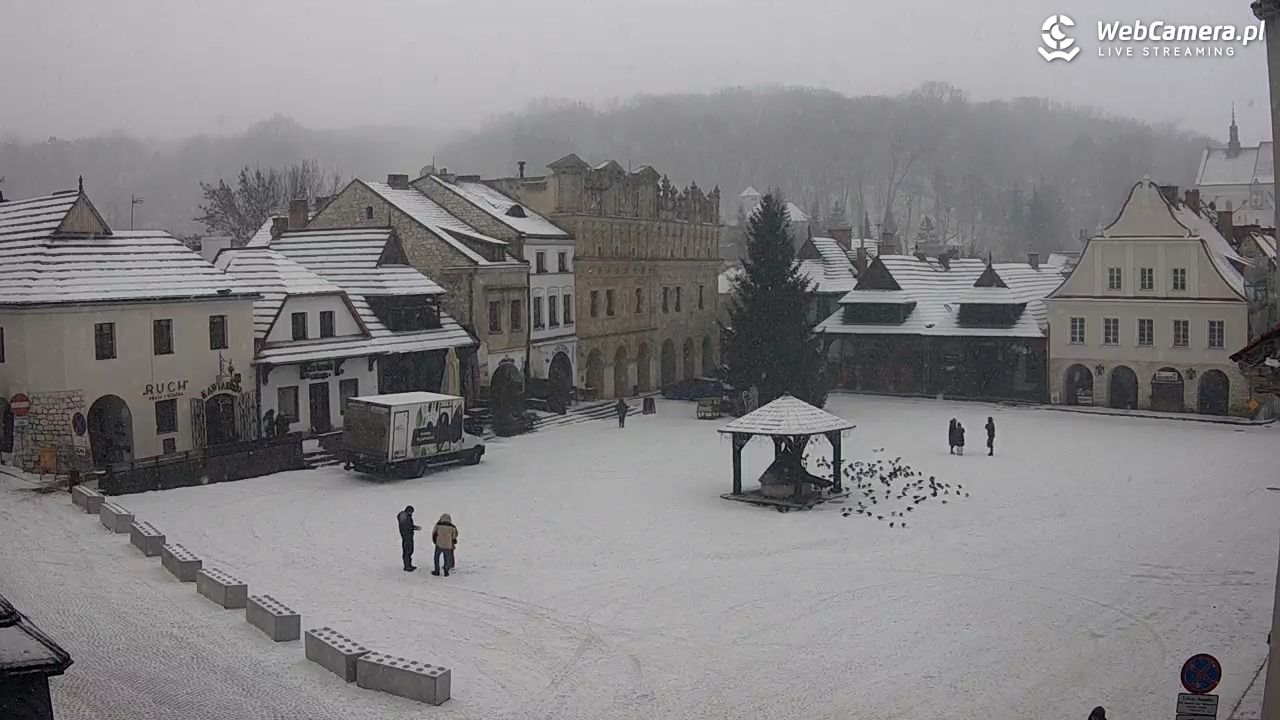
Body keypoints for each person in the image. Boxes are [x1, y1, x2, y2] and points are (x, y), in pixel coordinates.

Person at [397, 505, 421, 572]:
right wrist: (414, 527)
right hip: (407, 537)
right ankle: (407, 566)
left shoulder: (403, 517)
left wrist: (414, 527)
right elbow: (408, 527)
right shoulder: (406, 518)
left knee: (407, 551)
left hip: (406, 537)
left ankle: (408, 565)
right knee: (408, 551)